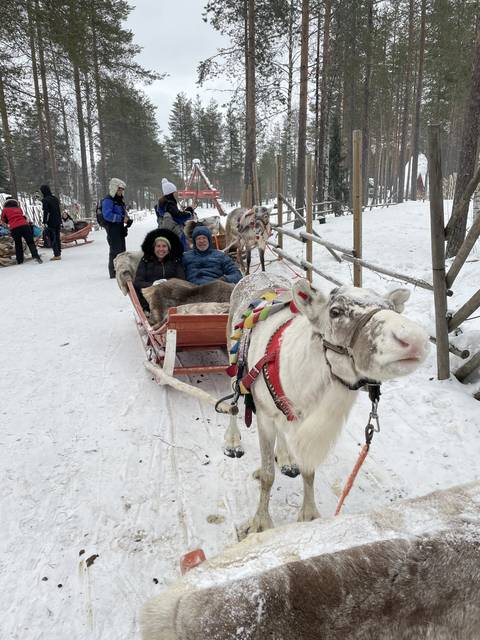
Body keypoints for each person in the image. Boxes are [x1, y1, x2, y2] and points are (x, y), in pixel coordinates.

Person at [134, 228, 185, 311]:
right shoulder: (145, 261)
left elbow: (181, 279)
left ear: (168, 249)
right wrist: (153, 284)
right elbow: (138, 282)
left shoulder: (175, 261)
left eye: (164, 246)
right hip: (150, 297)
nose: (161, 249)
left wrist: (166, 282)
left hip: (171, 296)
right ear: (154, 248)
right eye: (158, 246)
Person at [101, 177, 132, 278]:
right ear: (114, 189)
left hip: (119, 228)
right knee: (115, 251)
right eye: (119, 189)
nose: (121, 191)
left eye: (122, 189)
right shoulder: (108, 200)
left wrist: (127, 219)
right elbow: (107, 215)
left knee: (122, 250)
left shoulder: (119, 200)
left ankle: (122, 270)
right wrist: (121, 218)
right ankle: (114, 273)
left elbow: (123, 212)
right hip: (112, 228)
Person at [1, 197, 42, 264]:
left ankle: (20, 260)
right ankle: (36, 256)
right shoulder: (18, 208)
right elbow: (21, 215)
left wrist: (8, 221)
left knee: (18, 244)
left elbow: (3, 220)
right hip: (25, 226)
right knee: (30, 242)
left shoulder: (5, 209)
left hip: (14, 228)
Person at [157, 178, 192, 249]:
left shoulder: (163, 203)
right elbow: (179, 218)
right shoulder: (169, 204)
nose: (176, 194)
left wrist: (184, 212)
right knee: (183, 252)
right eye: (175, 192)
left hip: (167, 232)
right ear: (171, 193)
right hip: (175, 233)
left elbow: (174, 214)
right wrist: (189, 212)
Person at [41, 184, 62, 260]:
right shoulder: (55, 198)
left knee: (52, 237)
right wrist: (60, 220)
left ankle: (56, 255)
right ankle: (58, 251)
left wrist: (44, 222)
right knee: (57, 237)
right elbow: (58, 210)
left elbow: (46, 212)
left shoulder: (45, 200)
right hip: (58, 220)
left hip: (51, 221)